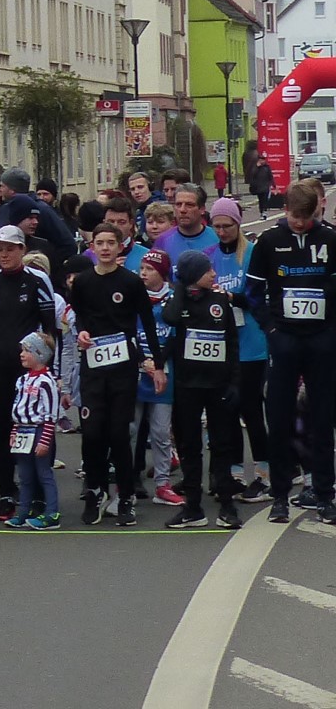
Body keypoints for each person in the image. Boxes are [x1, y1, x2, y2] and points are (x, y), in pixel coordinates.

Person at [245, 179, 336, 524]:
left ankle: (325, 494)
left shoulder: (329, 239)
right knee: (279, 418)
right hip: (284, 340)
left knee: (322, 419)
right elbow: (253, 292)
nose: (299, 223)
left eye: (305, 217)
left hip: (320, 340)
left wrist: (330, 330)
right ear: (285, 210)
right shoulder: (269, 241)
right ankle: (280, 495)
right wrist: (270, 328)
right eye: (294, 216)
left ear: (315, 211)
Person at [68, 224, 165, 527]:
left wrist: (156, 364)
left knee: (119, 434)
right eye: (100, 243)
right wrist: (81, 332)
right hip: (93, 367)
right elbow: (79, 315)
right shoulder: (83, 282)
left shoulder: (131, 282)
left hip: (123, 367)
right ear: (92, 247)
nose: (106, 248)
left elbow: (147, 322)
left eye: (111, 242)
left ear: (121, 246)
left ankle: (125, 496)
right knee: (92, 433)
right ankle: (96, 491)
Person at [0, 226, 57, 522]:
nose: (3, 254)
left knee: (35, 426)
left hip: (28, 368)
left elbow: (50, 328)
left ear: (22, 250)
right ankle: (7, 491)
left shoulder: (38, 279)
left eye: (10, 249)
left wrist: (50, 370)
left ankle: (40, 494)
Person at [164, 252, 243, 529]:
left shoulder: (220, 300)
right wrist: (181, 289)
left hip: (218, 384)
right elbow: (170, 317)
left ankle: (227, 505)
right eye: (207, 270)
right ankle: (193, 507)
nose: (213, 274)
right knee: (189, 446)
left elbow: (232, 342)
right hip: (188, 385)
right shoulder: (179, 301)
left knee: (221, 445)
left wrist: (234, 382)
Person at [209, 199, 269, 502]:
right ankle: (233, 474)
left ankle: (264, 475)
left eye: (227, 226)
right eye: (217, 226)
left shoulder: (253, 253)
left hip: (252, 343)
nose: (222, 232)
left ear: (238, 224)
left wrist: (231, 297)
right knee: (226, 411)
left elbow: (260, 296)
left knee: (250, 409)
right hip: (223, 345)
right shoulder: (209, 256)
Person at [134, 250, 182, 507]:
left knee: (161, 432)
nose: (144, 273)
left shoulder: (173, 299)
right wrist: (144, 360)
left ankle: (162, 484)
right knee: (131, 429)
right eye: (142, 268)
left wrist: (159, 363)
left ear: (163, 273)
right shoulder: (133, 296)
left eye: (150, 269)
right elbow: (128, 331)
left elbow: (175, 335)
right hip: (137, 369)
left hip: (164, 373)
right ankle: (126, 483)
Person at [3, 332, 62, 530]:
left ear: (40, 354)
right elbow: (18, 408)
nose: (22, 354)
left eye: (27, 350)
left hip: (39, 430)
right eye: (22, 350)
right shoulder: (22, 380)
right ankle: (24, 511)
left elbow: (51, 414)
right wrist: (14, 431)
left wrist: (45, 440)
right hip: (23, 431)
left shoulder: (47, 382)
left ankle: (52, 513)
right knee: (25, 475)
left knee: (44, 473)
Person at [153, 185, 220, 262]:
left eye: (189, 205)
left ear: (202, 209)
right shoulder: (163, 241)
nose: (182, 210)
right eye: (178, 204)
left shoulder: (217, 238)